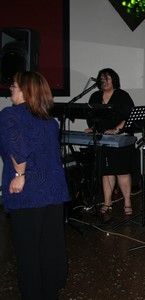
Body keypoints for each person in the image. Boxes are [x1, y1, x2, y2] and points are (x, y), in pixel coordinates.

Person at [0, 71, 70, 299]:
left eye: (14, 85)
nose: (11, 88)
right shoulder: (49, 121)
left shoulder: (10, 114)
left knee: (28, 251)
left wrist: (19, 174)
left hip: (28, 192)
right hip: (53, 191)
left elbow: (17, 150)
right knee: (49, 249)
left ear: (25, 90)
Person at [86, 68, 135, 216]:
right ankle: (107, 203)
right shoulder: (95, 96)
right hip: (102, 139)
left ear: (114, 80)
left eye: (107, 78)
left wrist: (116, 130)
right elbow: (91, 116)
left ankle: (127, 202)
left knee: (122, 171)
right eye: (102, 78)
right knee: (106, 172)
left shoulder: (122, 95)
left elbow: (129, 115)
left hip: (119, 138)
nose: (104, 81)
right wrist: (92, 128)